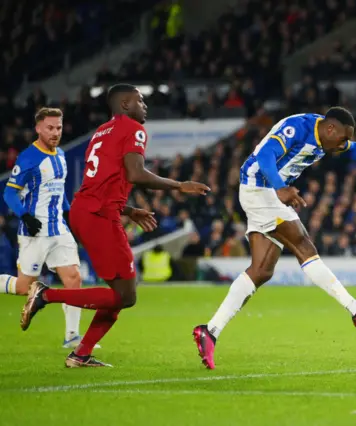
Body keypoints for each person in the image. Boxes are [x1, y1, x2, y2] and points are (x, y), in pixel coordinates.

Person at [192, 107, 356, 370]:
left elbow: (353, 148)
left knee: (260, 271)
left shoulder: (329, 136)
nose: (341, 145)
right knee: (303, 244)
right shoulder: (297, 128)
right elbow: (267, 154)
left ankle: (209, 331)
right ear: (329, 129)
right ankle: (355, 308)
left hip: (265, 191)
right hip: (262, 188)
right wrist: (280, 187)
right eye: (339, 139)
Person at [20, 84, 210, 368]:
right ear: (124, 104)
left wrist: (129, 209)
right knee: (126, 295)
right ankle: (46, 295)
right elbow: (136, 173)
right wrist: (179, 185)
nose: (144, 106)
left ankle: (80, 354)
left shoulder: (101, 132)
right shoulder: (132, 128)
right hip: (98, 216)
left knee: (119, 295)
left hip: (86, 211)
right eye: (140, 100)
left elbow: (104, 180)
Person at [1, 107, 92, 349]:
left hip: (59, 230)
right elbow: (9, 193)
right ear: (38, 128)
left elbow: (59, 191)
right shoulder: (29, 158)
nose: (55, 132)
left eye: (59, 128)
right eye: (50, 128)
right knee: (23, 287)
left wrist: (70, 215)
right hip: (34, 232)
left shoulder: (61, 155)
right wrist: (24, 215)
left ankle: (72, 336)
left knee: (73, 279)